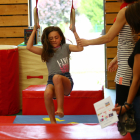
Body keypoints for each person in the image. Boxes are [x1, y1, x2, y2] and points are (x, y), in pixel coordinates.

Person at [80, 0, 138, 107]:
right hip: (133, 62)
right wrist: (117, 58)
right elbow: (132, 43)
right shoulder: (136, 10)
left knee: (120, 105)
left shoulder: (126, 12)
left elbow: (108, 37)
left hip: (126, 67)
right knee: (132, 103)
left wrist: (87, 42)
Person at [26, 25, 83, 124]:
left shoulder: (65, 47)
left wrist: (74, 31)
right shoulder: (46, 51)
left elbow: (80, 48)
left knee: (57, 77)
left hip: (65, 79)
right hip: (51, 80)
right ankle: (53, 121)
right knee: (47, 93)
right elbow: (29, 47)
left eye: (56, 37)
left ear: (61, 37)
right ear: (47, 40)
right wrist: (34, 30)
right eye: (50, 38)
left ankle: (60, 108)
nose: (54, 40)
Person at [113, 2, 140, 139]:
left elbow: (136, 80)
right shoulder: (126, 10)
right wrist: (116, 58)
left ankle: (124, 115)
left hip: (127, 65)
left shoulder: (127, 11)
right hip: (124, 59)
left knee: (124, 85)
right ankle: (123, 114)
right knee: (120, 82)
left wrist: (127, 106)